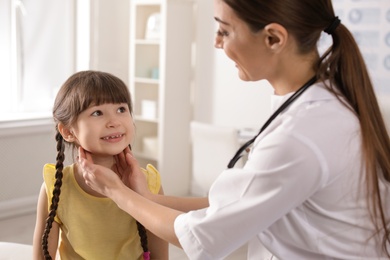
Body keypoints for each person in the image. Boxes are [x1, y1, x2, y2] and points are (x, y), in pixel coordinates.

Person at [79, 0, 390, 259]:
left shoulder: (300, 135)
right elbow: (238, 202)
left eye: (224, 31)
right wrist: (148, 198)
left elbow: (202, 236)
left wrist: (117, 193)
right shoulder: (313, 103)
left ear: (273, 38)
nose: (216, 42)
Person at [32, 70, 168, 260]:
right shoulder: (55, 186)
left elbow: (160, 256)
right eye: (97, 113)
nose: (114, 122)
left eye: (121, 109)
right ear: (68, 131)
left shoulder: (149, 182)